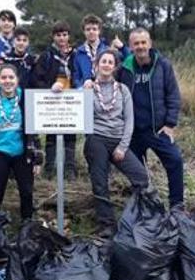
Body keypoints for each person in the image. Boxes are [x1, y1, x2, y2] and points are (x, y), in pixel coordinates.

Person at [81, 50, 149, 237]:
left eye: (110, 62)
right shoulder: (88, 89)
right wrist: (83, 90)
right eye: (103, 61)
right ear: (96, 64)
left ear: (115, 66)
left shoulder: (123, 90)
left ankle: (140, 218)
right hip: (97, 139)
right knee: (99, 181)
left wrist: (122, 146)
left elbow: (129, 120)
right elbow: (77, 112)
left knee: (141, 178)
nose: (106, 65)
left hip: (119, 139)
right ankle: (107, 224)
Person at [118, 27, 184, 207]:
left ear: (150, 43)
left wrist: (170, 124)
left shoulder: (163, 65)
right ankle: (145, 207)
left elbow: (173, 95)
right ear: (130, 46)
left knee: (175, 161)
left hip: (157, 129)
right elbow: (109, 85)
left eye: (143, 42)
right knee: (138, 173)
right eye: (136, 43)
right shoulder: (124, 67)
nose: (140, 46)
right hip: (133, 132)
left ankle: (177, 205)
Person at [0, 64, 43, 220]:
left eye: (11, 77)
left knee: (27, 192)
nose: (7, 81)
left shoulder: (26, 98)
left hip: (22, 152)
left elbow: (34, 130)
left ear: (17, 79)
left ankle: (27, 225)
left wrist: (37, 158)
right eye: (3, 77)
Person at [32, 21, 77, 179]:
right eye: (58, 35)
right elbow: (38, 78)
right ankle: (50, 168)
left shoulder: (75, 55)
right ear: (53, 36)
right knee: (51, 133)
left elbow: (79, 74)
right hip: (52, 99)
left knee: (70, 134)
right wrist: (49, 87)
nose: (62, 38)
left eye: (64, 35)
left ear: (68, 36)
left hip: (71, 99)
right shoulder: (47, 55)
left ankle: (70, 168)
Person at [72, 14, 125, 89]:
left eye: (94, 29)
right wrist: (81, 85)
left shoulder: (108, 50)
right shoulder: (78, 53)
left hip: (105, 90)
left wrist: (123, 47)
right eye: (88, 29)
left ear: (99, 31)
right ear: (84, 31)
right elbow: (76, 76)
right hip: (86, 91)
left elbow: (128, 61)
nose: (91, 32)